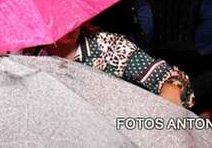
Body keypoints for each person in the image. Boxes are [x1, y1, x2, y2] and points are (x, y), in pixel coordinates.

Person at [33, 25, 193, 107]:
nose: (70, 25)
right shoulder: (28, 57)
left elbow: (173, 78)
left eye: (73, 14)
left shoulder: (108, 47)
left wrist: (172, 88)